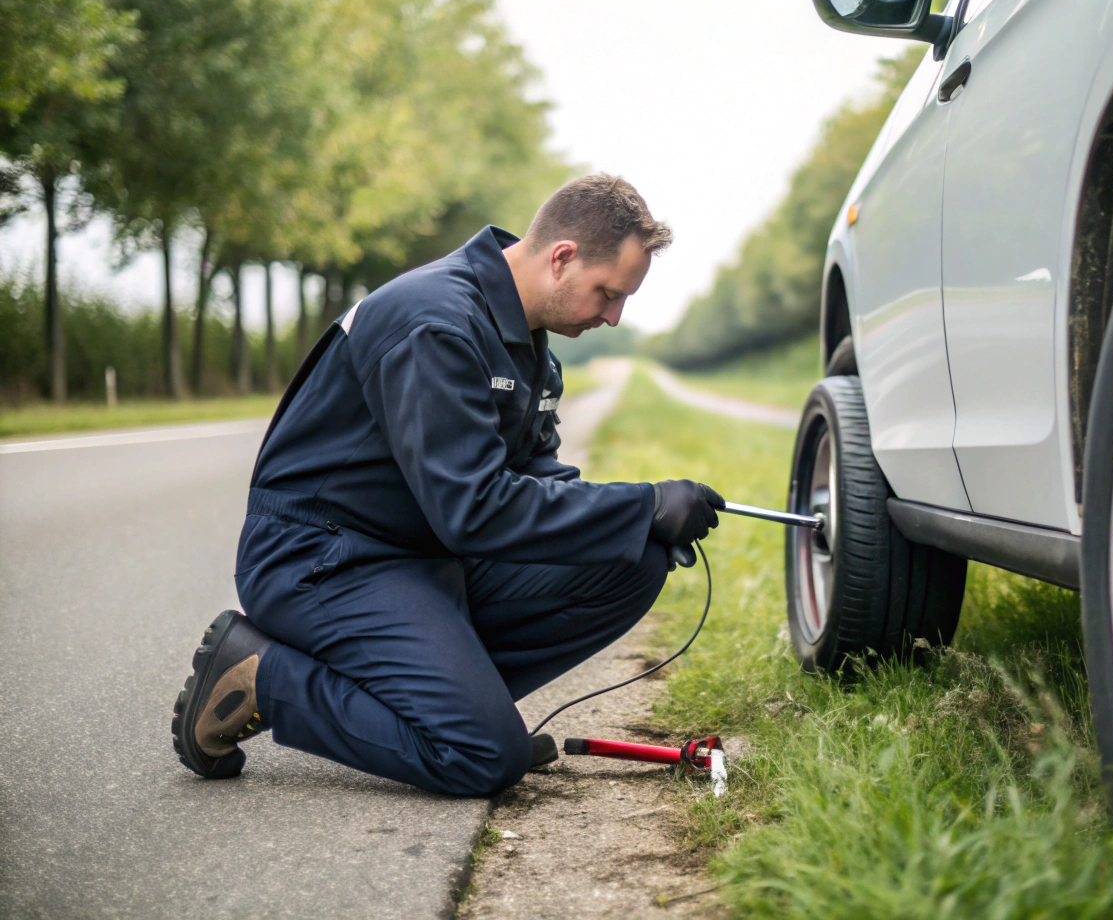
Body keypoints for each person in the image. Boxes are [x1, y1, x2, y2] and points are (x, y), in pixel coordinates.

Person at [170, 174, 725, 796]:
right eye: (608, 293)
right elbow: (475, 511)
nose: (614, 316)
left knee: (632, 560)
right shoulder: (433, 322)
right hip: (324, 558)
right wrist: (643, 503)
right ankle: (263, 677)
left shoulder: (529, 344)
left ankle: (451, 703)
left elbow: (535, 479)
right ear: (562, 257)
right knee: (483, 757)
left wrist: (643, 519)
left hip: (423, 554)